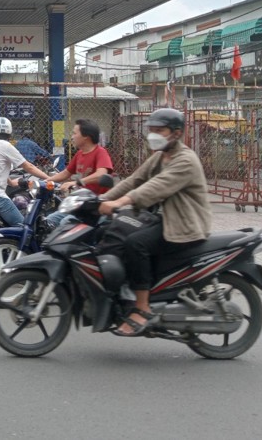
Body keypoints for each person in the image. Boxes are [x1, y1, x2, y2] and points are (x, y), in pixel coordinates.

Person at [98, 108, 211, 337]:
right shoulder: (160, 156)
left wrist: (120, 202)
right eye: (151, 131)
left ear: (176, 133)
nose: (153, 135)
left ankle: (142, 308)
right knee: (115, 233)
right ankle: (126, 293)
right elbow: (134, 180)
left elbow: (155, 186)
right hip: (166, 218)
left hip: (184, 225)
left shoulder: (185, 160)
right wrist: (101, 199)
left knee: (135, 243)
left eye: (159, 131)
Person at [0, 116, 51, 227]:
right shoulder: (6, 146)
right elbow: (29, 167)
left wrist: (11, 182)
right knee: (24, 228)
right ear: (10, 133)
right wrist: (49, 179)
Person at [45, 118, 115, 228]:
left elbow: (101, 174)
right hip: (80, 204)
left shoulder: (100, 152)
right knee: (48, 221)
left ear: (86, 136)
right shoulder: (79, 154)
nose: (72, 137)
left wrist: (77, 182)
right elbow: (65, 173)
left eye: (74, 133)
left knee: (66, 224)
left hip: (96, 206)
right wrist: (45, 181)